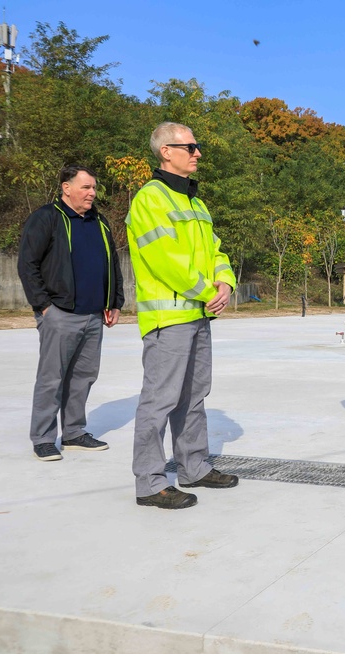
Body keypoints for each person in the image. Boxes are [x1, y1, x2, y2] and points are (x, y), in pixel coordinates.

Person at [126, 122, 239, 510]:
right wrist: (209, 293)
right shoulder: (150, 199)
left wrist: (225, 283)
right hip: (169, 318)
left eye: (197, 146)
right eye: (190, 147)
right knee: (159, 401)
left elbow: (217, 251)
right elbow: (165, 261)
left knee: (193, 396)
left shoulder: (196, 203)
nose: (197, 153)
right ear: (165, 152)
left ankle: (194, 466)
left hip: (198, 315)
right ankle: (150, 483)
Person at [17, 165, 124, 461]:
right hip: (60, 312)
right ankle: (43, 438)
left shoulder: (99, 221)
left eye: (93, 188)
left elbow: (112, 263)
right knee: (52, 378)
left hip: (94, 314)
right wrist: (44, 306)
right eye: (86, 187)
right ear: (66, 187)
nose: (92, 193)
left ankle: (75, 432)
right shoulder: (46, 218)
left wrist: (115, 301)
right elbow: (28, 264)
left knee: (84, 376)